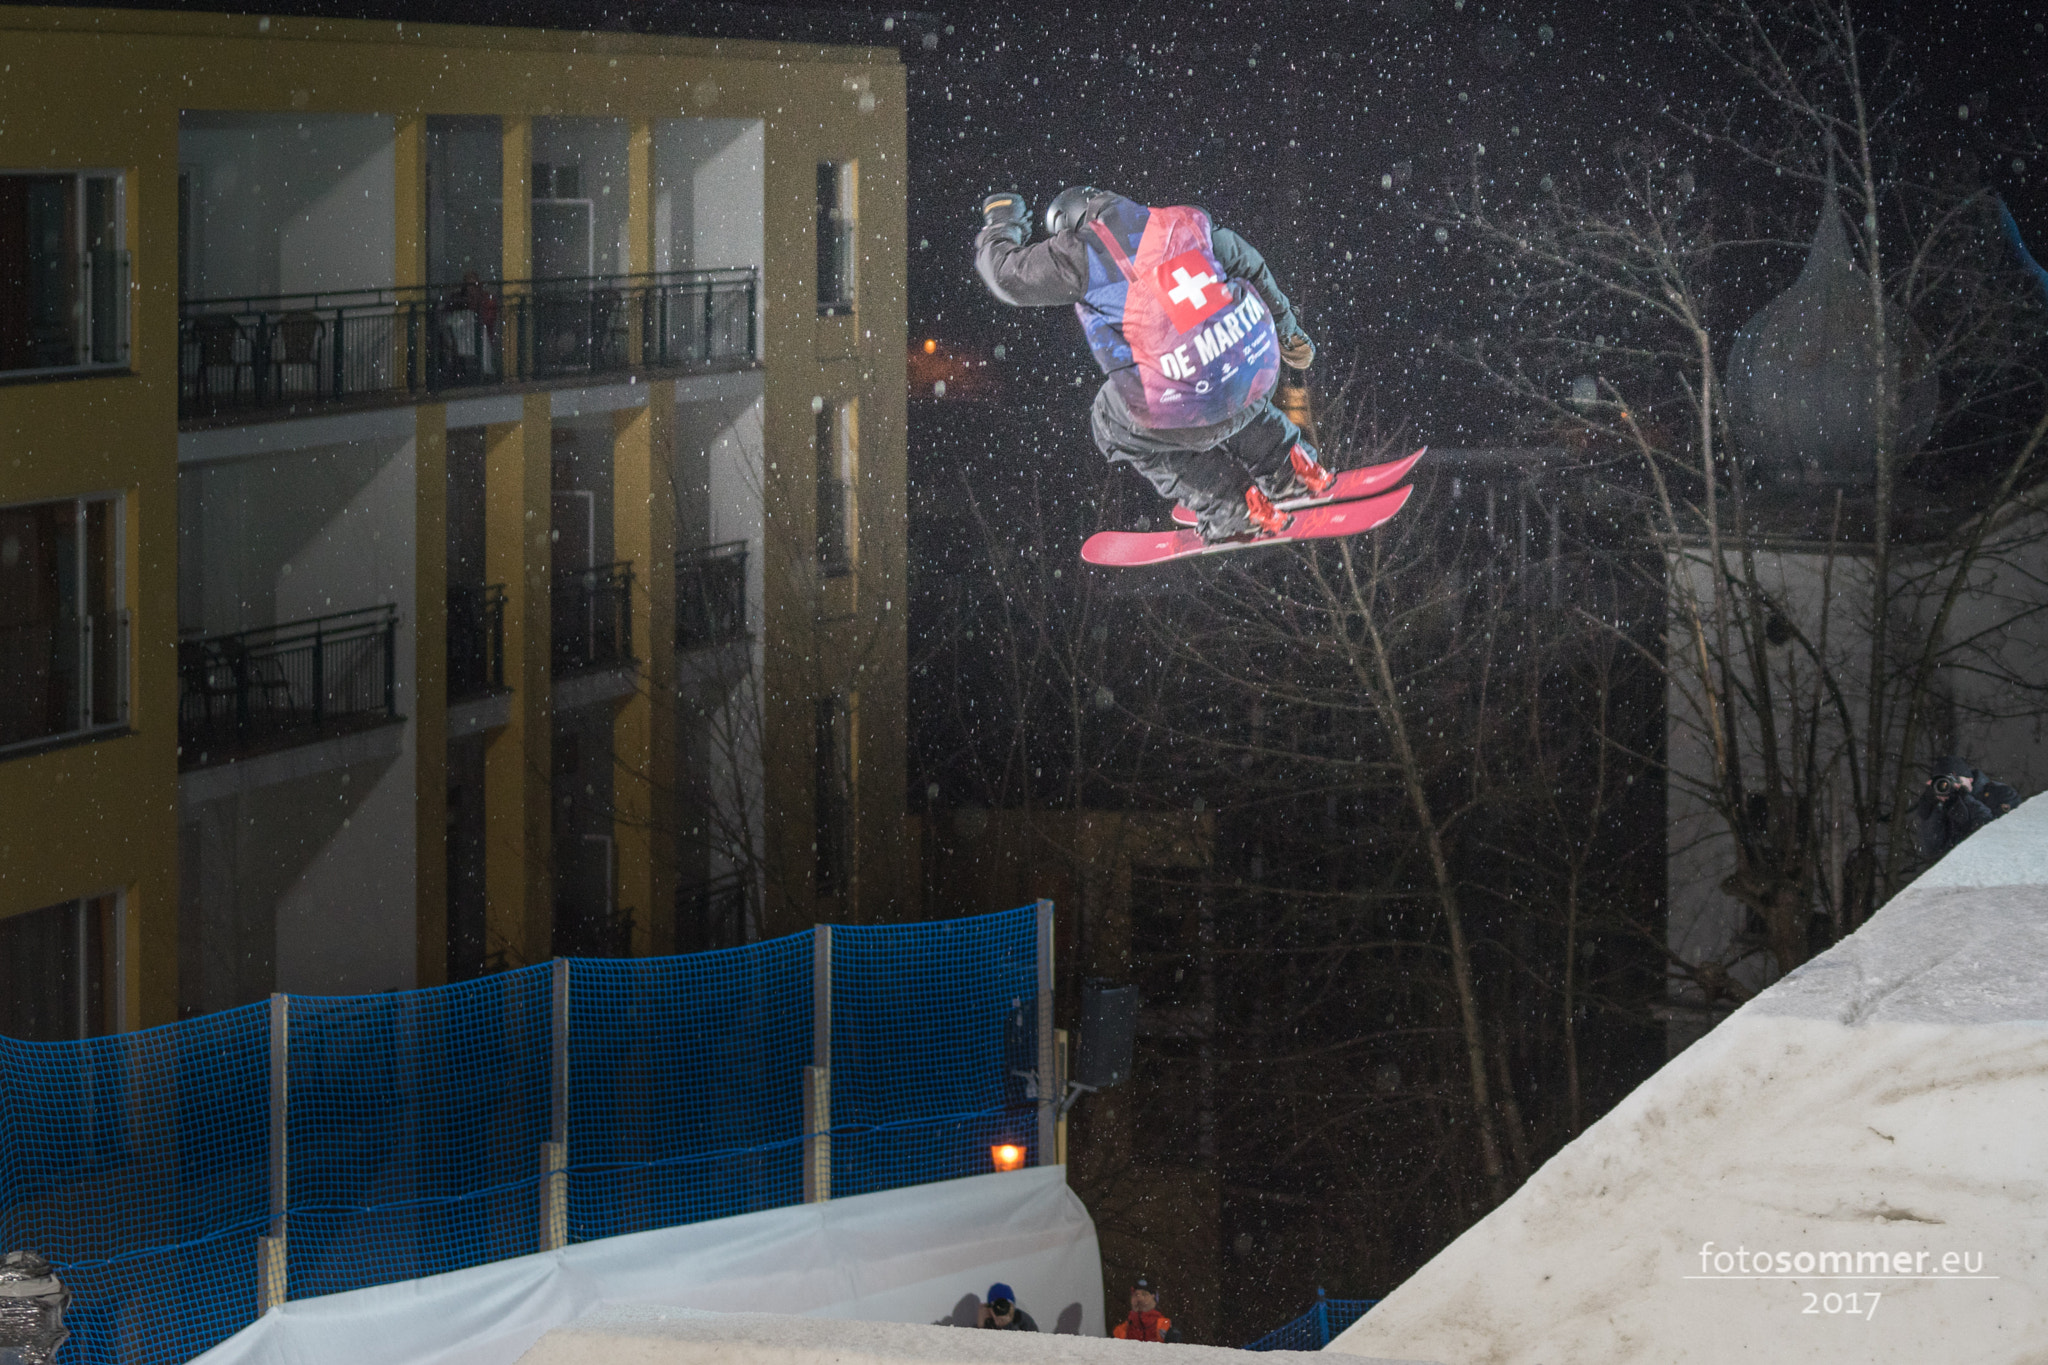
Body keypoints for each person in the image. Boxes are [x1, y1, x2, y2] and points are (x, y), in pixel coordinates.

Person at [974, 186, 1330, 544]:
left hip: (1194, 391)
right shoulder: (1178, 220)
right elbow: (1247, 261)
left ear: (1068, 225)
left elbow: (1008, 276)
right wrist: (1287, 331)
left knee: (1111, 421)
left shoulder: (1081, 250)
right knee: (1213, 374)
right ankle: (1290, 463)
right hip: (1255, 367)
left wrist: (1001, 223)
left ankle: (1230, 508)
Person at [1914, 756, 2021, 862]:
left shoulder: (2001, 793)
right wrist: (1930, 808)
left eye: (1955, 780)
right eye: (1944, 783)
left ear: (1970, 779)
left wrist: (1965, 799)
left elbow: (1996, 835)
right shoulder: (1946, 806)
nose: (1952, 787)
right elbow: (1934, 850)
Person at [1111, 1276, 1180, 1343]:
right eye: (1135, 1294)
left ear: (1154, 1298)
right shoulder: (1120, 1330)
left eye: (1144, 1294)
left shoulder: (1166, 1326)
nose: (1139, 1298)